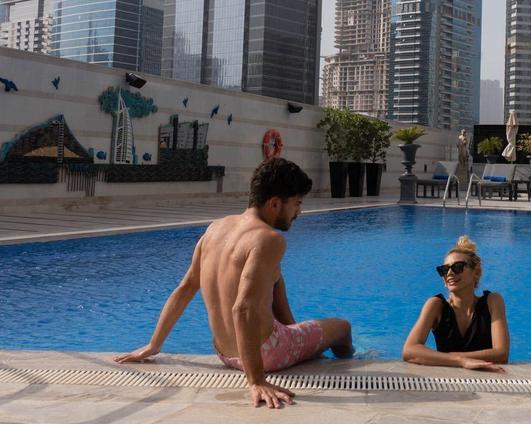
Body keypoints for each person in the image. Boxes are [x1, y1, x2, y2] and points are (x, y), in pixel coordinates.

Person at [114, 158, 354, 409]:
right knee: (342, 328)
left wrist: (154, 345)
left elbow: (185, 288)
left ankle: (300, 340)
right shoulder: (269, 239)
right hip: (266, 353)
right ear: (274, 203)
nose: (298, 212)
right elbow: (243, 308)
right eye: (296, 204)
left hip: (225, 352)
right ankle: (346, 359)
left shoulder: (215, 229)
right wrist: (256, 380)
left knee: (274, 276)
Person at [402, 236, 509, 371]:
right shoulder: (435, 305)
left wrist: (443, 357)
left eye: (458, 267)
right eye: (444, 270)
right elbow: (409, 351)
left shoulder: (493, 301)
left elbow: (501, 354)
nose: (450, 273)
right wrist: (461, 361)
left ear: (476, 272)